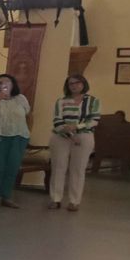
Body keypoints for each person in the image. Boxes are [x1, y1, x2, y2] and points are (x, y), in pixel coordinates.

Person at [48, 74, 101, 211]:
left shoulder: (93, 101)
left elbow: (94, 120)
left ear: (83, 84)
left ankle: (74, 201)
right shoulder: (61, 101)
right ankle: (55, 199)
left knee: (78, 169)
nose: (74, 86)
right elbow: (57, 120)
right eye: (71, 83)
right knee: (58, 167)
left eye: (77, 82)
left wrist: (76, 127)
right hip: (61, 136)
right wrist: (70, 135)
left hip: (84, 136)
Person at [0, 73, 32, 208]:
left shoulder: (20, 98)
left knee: (13, 167)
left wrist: (27, 132)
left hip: (18, 137)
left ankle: (6, 196)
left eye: (7, 82)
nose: (3, 85)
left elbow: (28, 115)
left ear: (13, 84)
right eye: (0, 83)